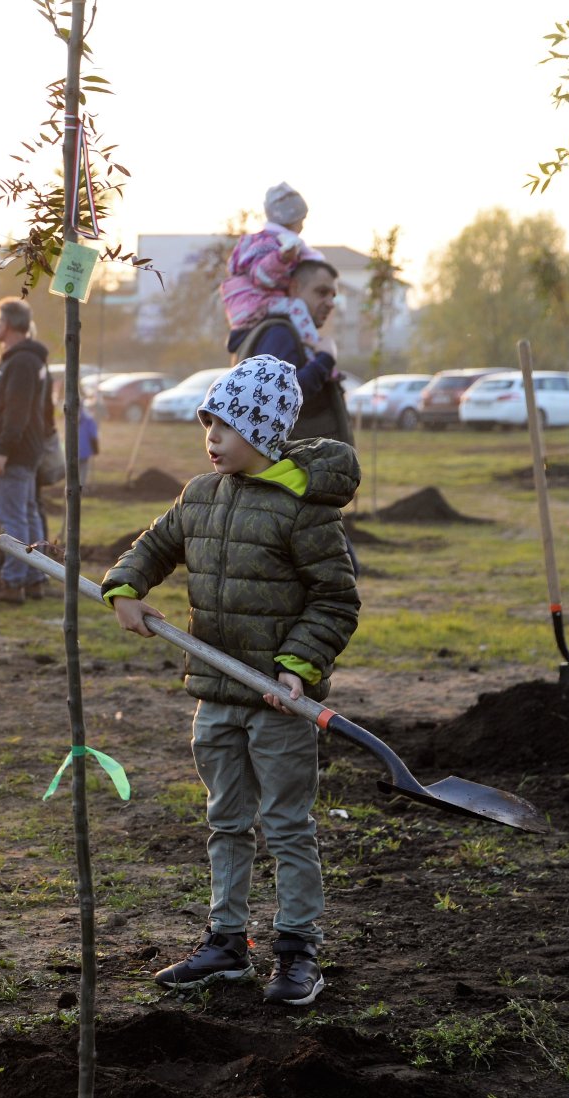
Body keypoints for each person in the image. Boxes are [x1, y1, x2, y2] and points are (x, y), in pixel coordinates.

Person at [104, 355, 360, 1007]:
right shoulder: (199, 496)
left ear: (266, 434)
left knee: (286, 824)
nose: (213, 438)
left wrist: (297, 667)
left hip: (280, 703)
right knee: (227, 819)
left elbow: (335, 600)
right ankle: (226, 942)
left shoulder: (304, 511)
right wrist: (126, 588)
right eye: (208, 424)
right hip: (216, 695)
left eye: (229, 426)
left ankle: (297, 950)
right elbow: (155, 545)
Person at [0, 299, 54, 604]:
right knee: (28, 513)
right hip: (29, 448)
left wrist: (3, 450)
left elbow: (16, 411)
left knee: (13, 518)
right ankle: (34, 578)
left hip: (16, 450)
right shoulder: (32, 359)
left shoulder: (20, 362)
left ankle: (13, 582)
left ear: (6, 324)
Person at [231, 257, 351, 446]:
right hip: (294, 467)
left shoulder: (293, 334)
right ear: (294, 288)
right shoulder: (279, 333)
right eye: (322, 292)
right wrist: (325, 360)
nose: (330, 303)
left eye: (333, 296)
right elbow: (280, 395)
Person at [219, 184, 321, 348]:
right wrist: (281, 259)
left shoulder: (264, 241)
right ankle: (314, 349)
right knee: (297, 307)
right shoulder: (271, 244)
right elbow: (261, 276)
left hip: (249, 304)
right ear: (290, 220)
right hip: (256, 303)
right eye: (301, 220)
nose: (303, 226)